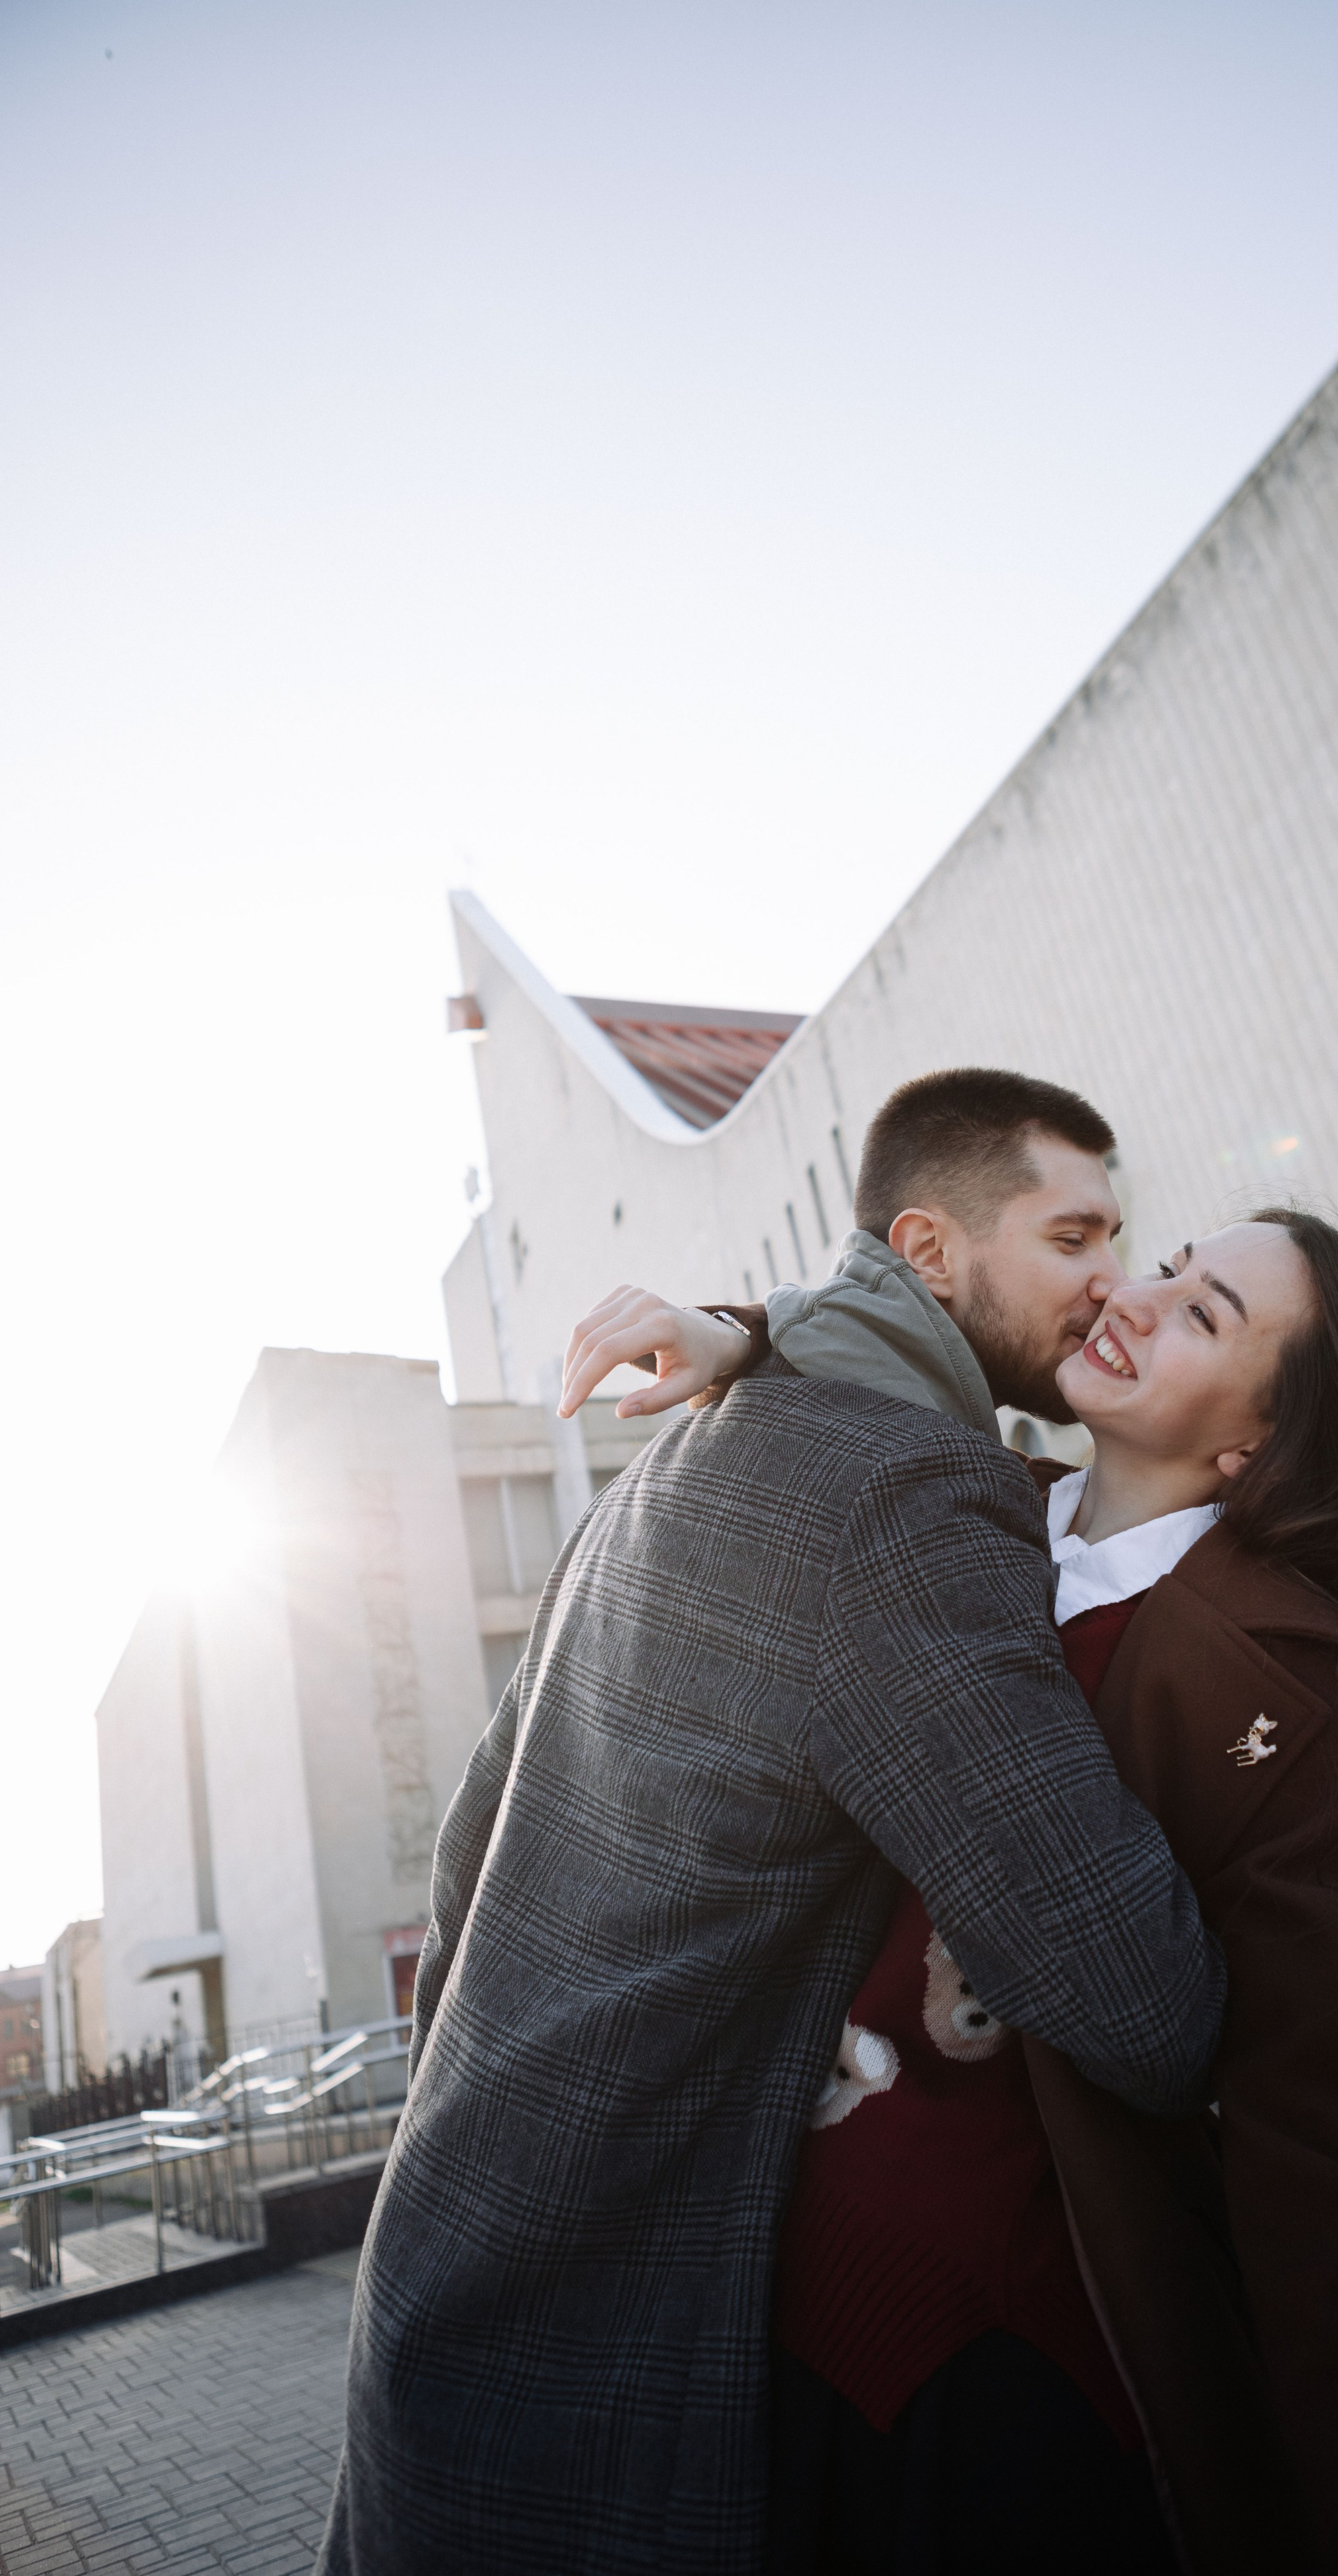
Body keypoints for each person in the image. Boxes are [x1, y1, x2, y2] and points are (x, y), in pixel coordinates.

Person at [317, 1069, 1225, 2576]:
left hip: (460, 2290)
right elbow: (1136, 2001)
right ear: (930, 1251)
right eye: (1074, 1237)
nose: (1109, 1285)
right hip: (619, 2374)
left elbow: (468, 1856)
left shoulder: (683, 1456)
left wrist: (758, 1323)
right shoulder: (894, 1491)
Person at [587, 1208, 1338, 2575]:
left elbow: (1323, 2147)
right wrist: (745, 1336)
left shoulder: (1278, 1691)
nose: (1137, 1296)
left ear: (1255, 1446)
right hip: (744, 2318)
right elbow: (871, 1390)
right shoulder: (957, 1510)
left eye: (1205, 1314)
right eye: (1165, 1265)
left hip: (1014, 2361)